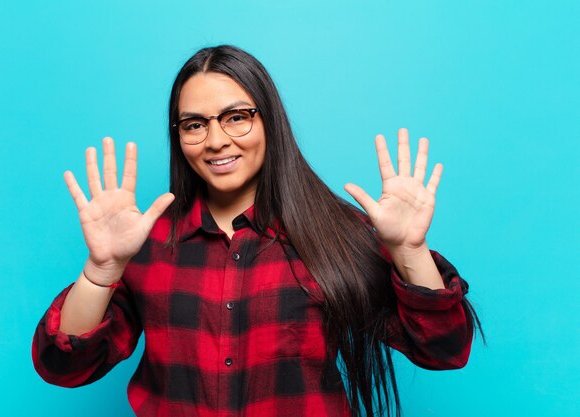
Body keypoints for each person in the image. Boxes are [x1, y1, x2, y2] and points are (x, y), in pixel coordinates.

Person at [32, 45, 481, 417]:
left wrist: (409, 250)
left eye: (236, 117)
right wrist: (101, 269)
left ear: (269, 120)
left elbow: (444, 350)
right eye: (194, 125)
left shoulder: (335, 232)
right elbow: (65, 367)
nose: (215, 140)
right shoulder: (146, 244)